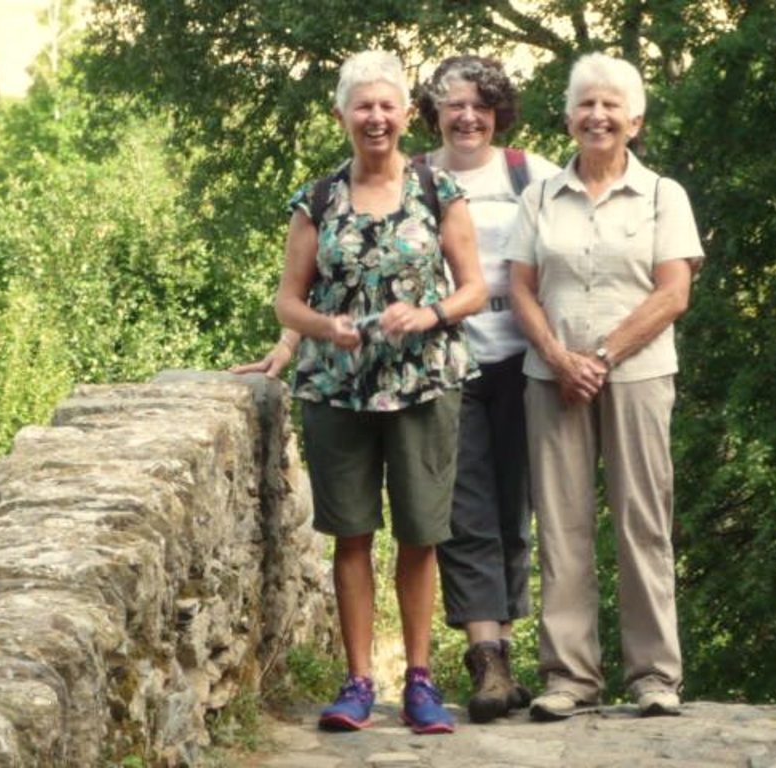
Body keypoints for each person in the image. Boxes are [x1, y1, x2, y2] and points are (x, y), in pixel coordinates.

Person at [271, 50, 486, 734]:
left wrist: (431, 314)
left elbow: (476, 287)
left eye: (387, 105)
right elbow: (288, 303)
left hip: (424, 383)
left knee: (421, 535)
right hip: (337, 389)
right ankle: (358, 680)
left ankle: (420, 682)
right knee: (352, 534)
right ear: (341, 116)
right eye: (362, 106)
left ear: (404, 115)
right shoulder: (317, 199)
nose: (376, 118)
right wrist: (325, 328)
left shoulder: (438, 193)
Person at [508, 52, 704, 721]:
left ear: (635, 119)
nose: (598, 116)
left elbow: (674, 291)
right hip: (551, 379)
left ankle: (654, 678)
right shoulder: (538, 196)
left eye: (610, 105)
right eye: (586, 105)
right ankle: (569, 678)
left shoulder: (662, 195)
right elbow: (520, 289)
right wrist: (562, 360)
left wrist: (600, 355)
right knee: (561, 527)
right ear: (568, 118)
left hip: (640, 376)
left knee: (643, 522)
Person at [414, 55, 559, 724]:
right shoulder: (413, 179)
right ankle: (488, 663)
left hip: (530, 363)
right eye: (454, 105)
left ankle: (515, 649)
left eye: (480, 103)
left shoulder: (534, 175)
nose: (468, 116)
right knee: (463, 508)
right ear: (435, 114)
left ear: (499, 111)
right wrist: (291, 341)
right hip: (448, 365)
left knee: (518, 507)